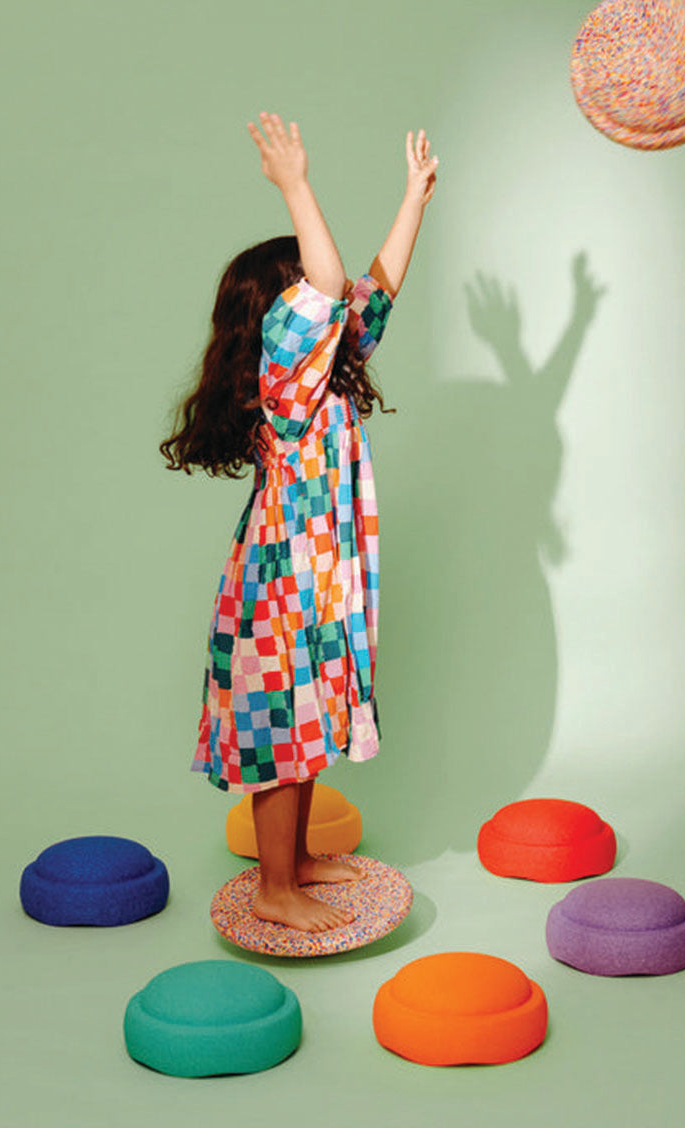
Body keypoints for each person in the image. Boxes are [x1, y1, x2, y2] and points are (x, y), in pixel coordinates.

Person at [160, 113, 438, 931]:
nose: (329, 303)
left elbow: (373, 290)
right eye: (307, 302)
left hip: (315, 577)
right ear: (277, 326)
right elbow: (325, 282)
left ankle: (297, 862)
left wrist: (413, 199)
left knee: (306, 723)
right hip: (286, 581)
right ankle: (273, 888)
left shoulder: (323, 374)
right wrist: (295, 186)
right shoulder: (284, 384)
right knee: (284, 730)